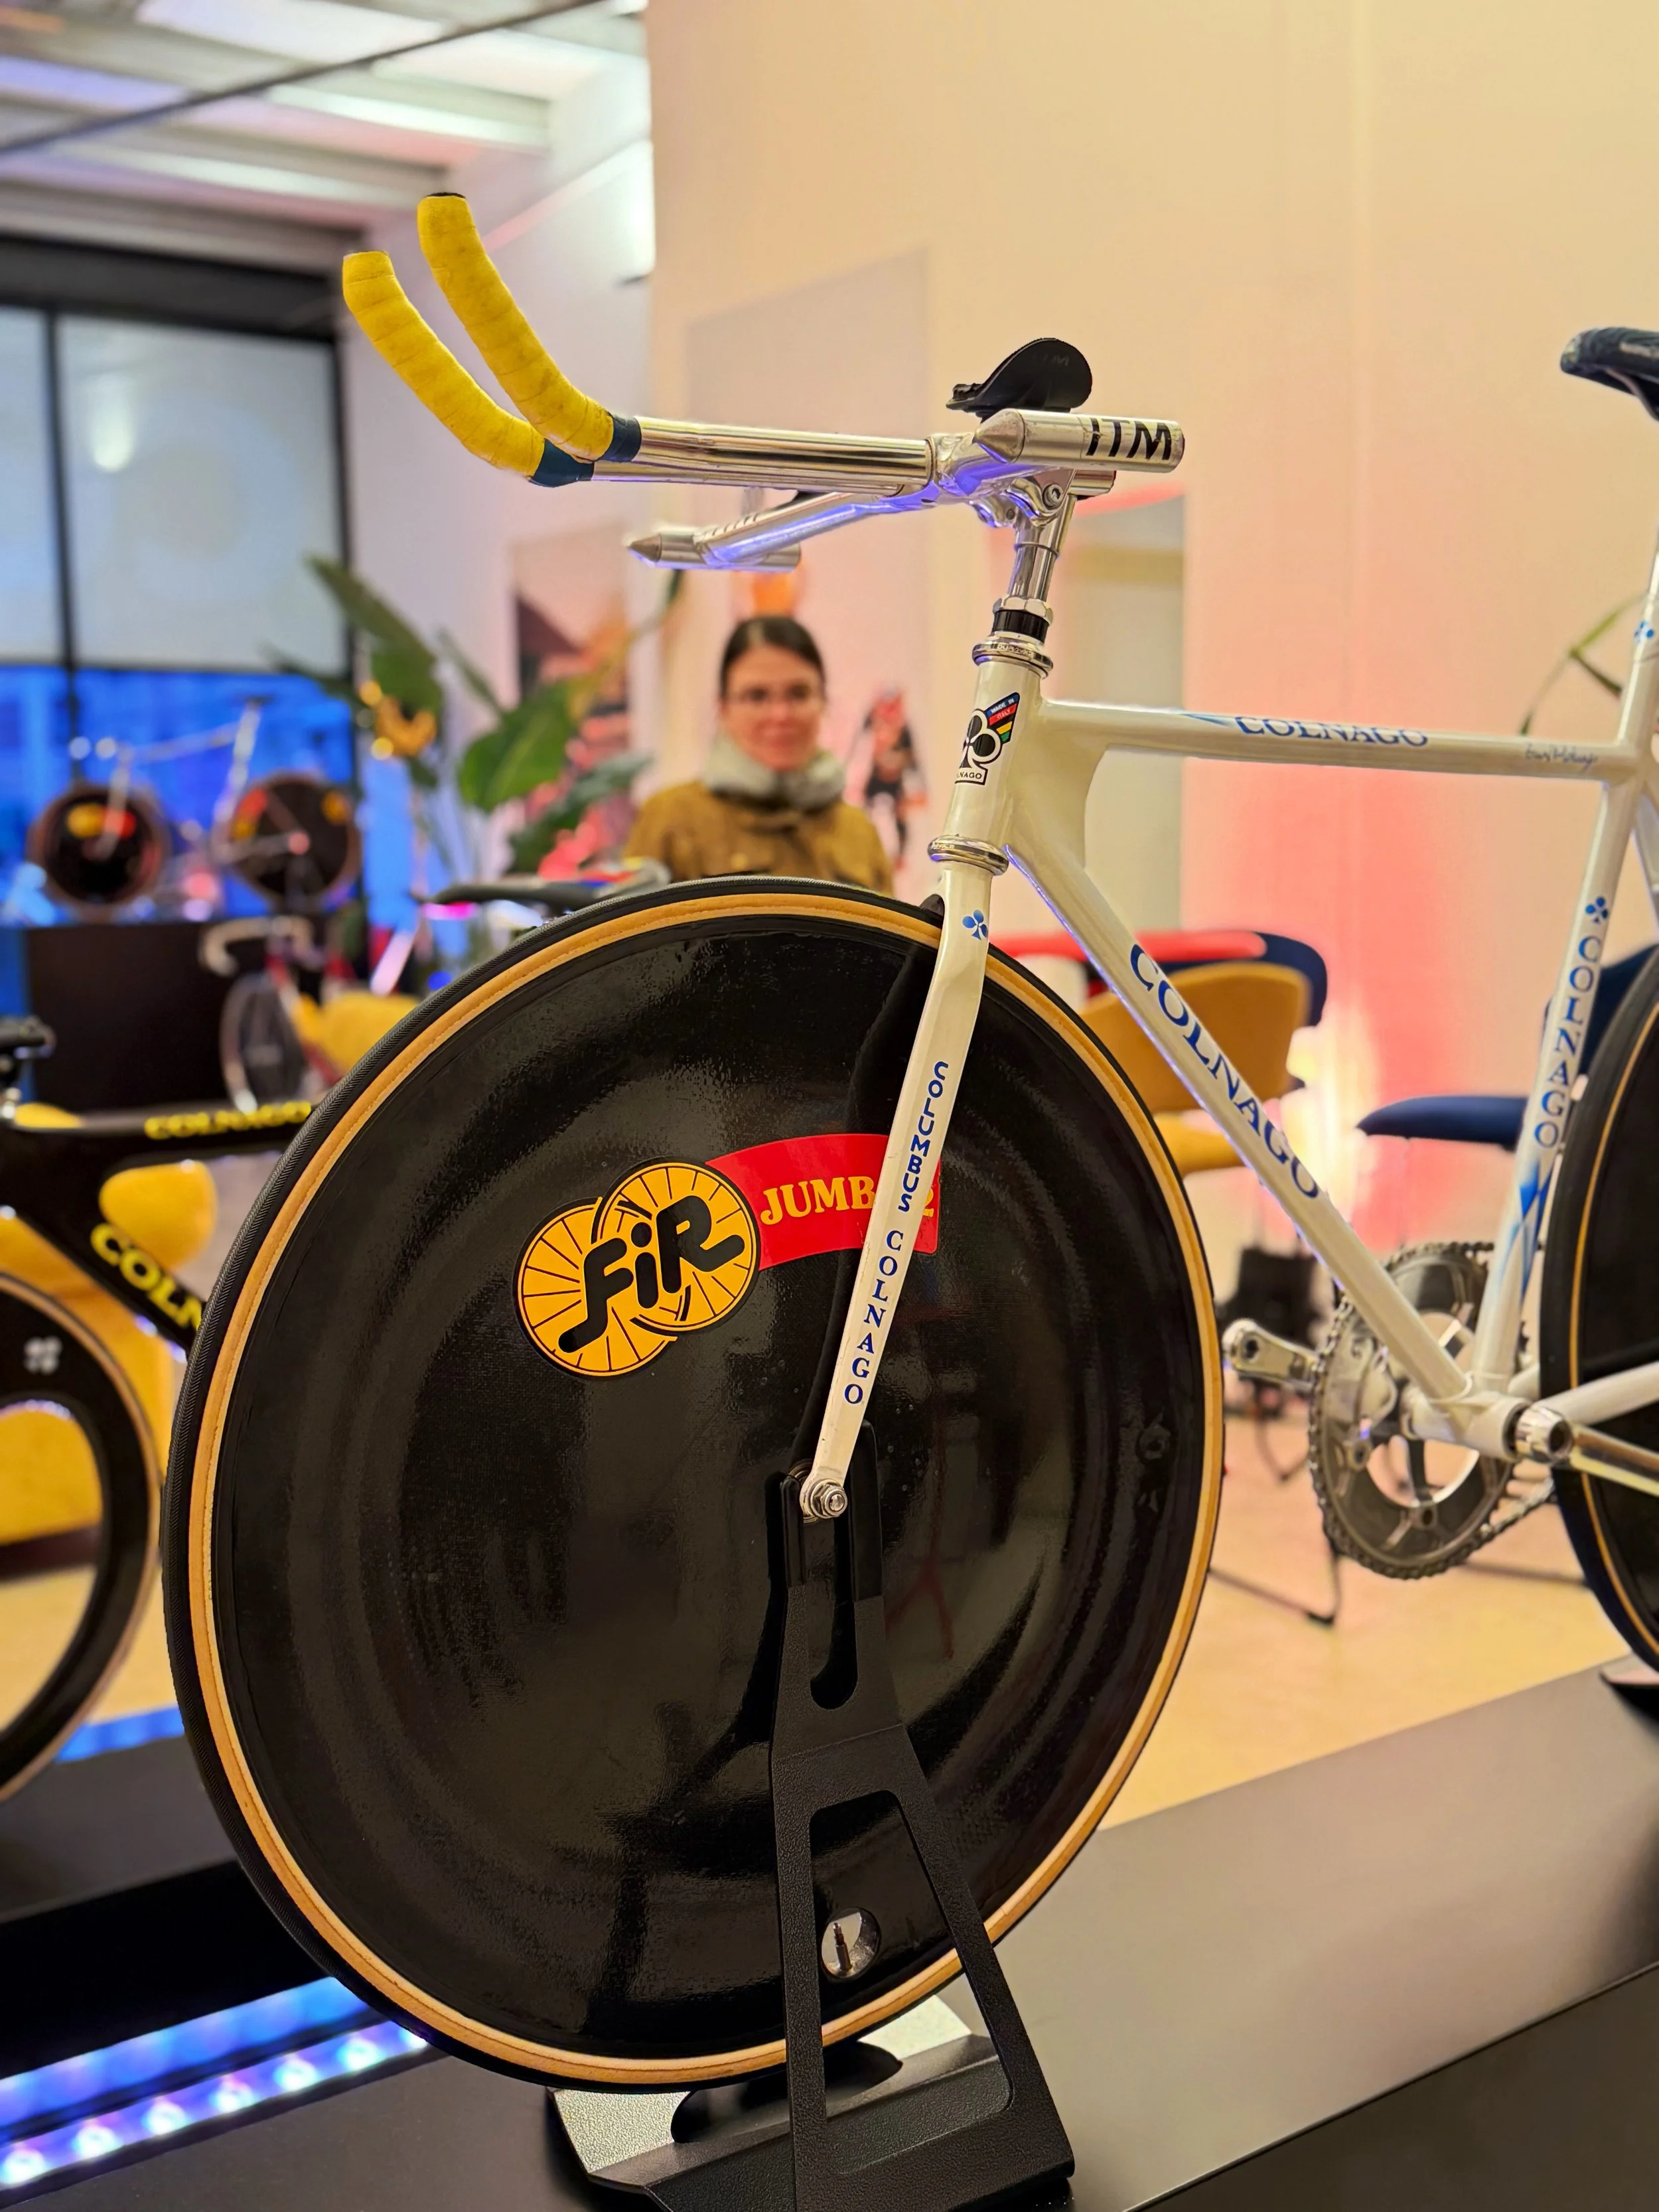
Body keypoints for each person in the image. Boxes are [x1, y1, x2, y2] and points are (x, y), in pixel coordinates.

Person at [626, 615, 893, 893]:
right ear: (724, 709)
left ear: (823, 701)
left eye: (799, 694)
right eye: (757, 696)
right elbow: (625, 931)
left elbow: (893, 934)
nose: (780, 714)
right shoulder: (672, 818)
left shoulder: (858, 830)